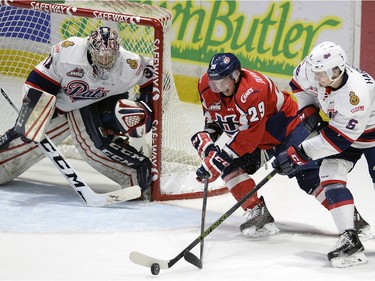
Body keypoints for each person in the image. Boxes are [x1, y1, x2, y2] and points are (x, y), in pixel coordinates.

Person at [191, 52, 372, 239]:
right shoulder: (205, 86)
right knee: (228, 167)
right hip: (259, 141)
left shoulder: (254, 89)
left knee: (309, 178)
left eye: (223, 83)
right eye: (214, 83)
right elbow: (216, 120)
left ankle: (352, 219)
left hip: (288, 130)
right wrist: (208, 143)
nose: (218, 89)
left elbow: (249, 137)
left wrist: (215, 159)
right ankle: (257, 211)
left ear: (235, 76)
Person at [0, 26, 154, 197]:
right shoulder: (69, 54)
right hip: (61, 106)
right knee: (25, 140)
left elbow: (152, 79)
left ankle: (139, 175)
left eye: (110, 56)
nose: (105, 59)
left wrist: (145, 109)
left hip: (103, 107)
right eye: (100, 55)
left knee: (95, 143)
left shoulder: (129, 64)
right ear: (90, 48)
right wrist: (32, 114)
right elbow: (37, 82)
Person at [273, 41, 375, 267]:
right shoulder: (313, 69)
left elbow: (338, 140)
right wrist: (308, 109)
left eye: (321, 75)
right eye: (315, 72)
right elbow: (298, 86)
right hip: (346, 132)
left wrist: (299, 154)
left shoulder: (354, 96)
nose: (315, 78)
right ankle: (349, 238)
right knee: (329, 174)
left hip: (368, 134)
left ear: (336, 71)